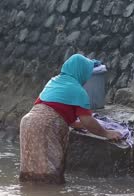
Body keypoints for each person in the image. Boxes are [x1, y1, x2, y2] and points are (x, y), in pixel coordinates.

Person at [19, 54, 122, 184]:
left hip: (28, 122)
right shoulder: (78, 90)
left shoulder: (54, 81)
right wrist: (107, 133)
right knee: (49, 171)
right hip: (45, 127)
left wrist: (80, 125)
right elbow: (87, 121)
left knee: (31, 168)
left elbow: (55, 110)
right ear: (81, 72)